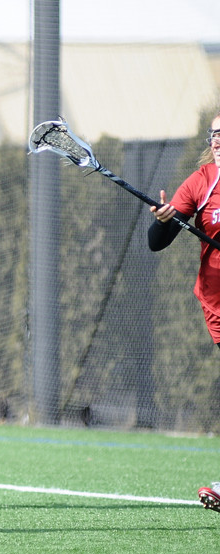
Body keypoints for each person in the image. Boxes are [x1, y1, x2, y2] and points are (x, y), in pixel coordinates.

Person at [148, 113, 220, 513]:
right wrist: (165, 220)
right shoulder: (201, 182)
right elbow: (156, 242)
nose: (219, 141)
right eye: (215, 134)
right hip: (217, 300)